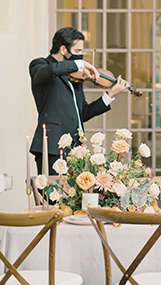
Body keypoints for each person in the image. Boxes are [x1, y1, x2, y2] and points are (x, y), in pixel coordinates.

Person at [29, 26, 129, 174]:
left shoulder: (75, 77)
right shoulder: (40, 65)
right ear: (63, 49)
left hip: (76, 150)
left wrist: (110, 94)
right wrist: (81, 64)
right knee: (52, 195)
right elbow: (51, 71)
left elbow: (83, 113)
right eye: (77, 51)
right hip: (51, 147)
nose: (81, 56)